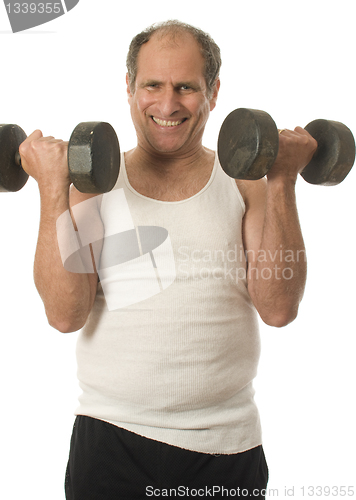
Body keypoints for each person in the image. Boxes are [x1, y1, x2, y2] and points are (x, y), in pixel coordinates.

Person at [19, 20, 317, 499]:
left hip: (224, 447)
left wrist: (282, 181)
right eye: (152, 85)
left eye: (186, 87)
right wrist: (54, 187)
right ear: (130, 87)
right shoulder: (96, 186)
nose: (167, 104)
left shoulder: (245, 186)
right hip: (111, 441)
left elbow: (279, 308)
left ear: (214, 92)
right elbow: (63, 314)